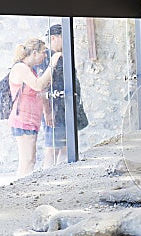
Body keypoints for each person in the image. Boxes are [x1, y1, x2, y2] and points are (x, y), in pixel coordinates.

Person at [8, 38, 62, 177]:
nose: (45, 55)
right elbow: (38, 85)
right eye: (43, 52)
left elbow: (40, 92)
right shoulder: (20, 68)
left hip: (30, 120)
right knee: (27, 161)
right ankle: (20, 192)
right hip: (23, 120)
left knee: (30, 160)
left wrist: (47, 112)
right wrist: (52, 63)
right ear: (34, 52)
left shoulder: (29, 69)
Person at [35, 24, 83, 168]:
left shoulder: (63, 56)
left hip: (64, 108)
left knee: (65, 147)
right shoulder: (45, 58)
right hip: (54, 110)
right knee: (52, 149)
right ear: (54, 38)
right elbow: (42, 88)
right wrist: (48, 112)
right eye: (65, 37)